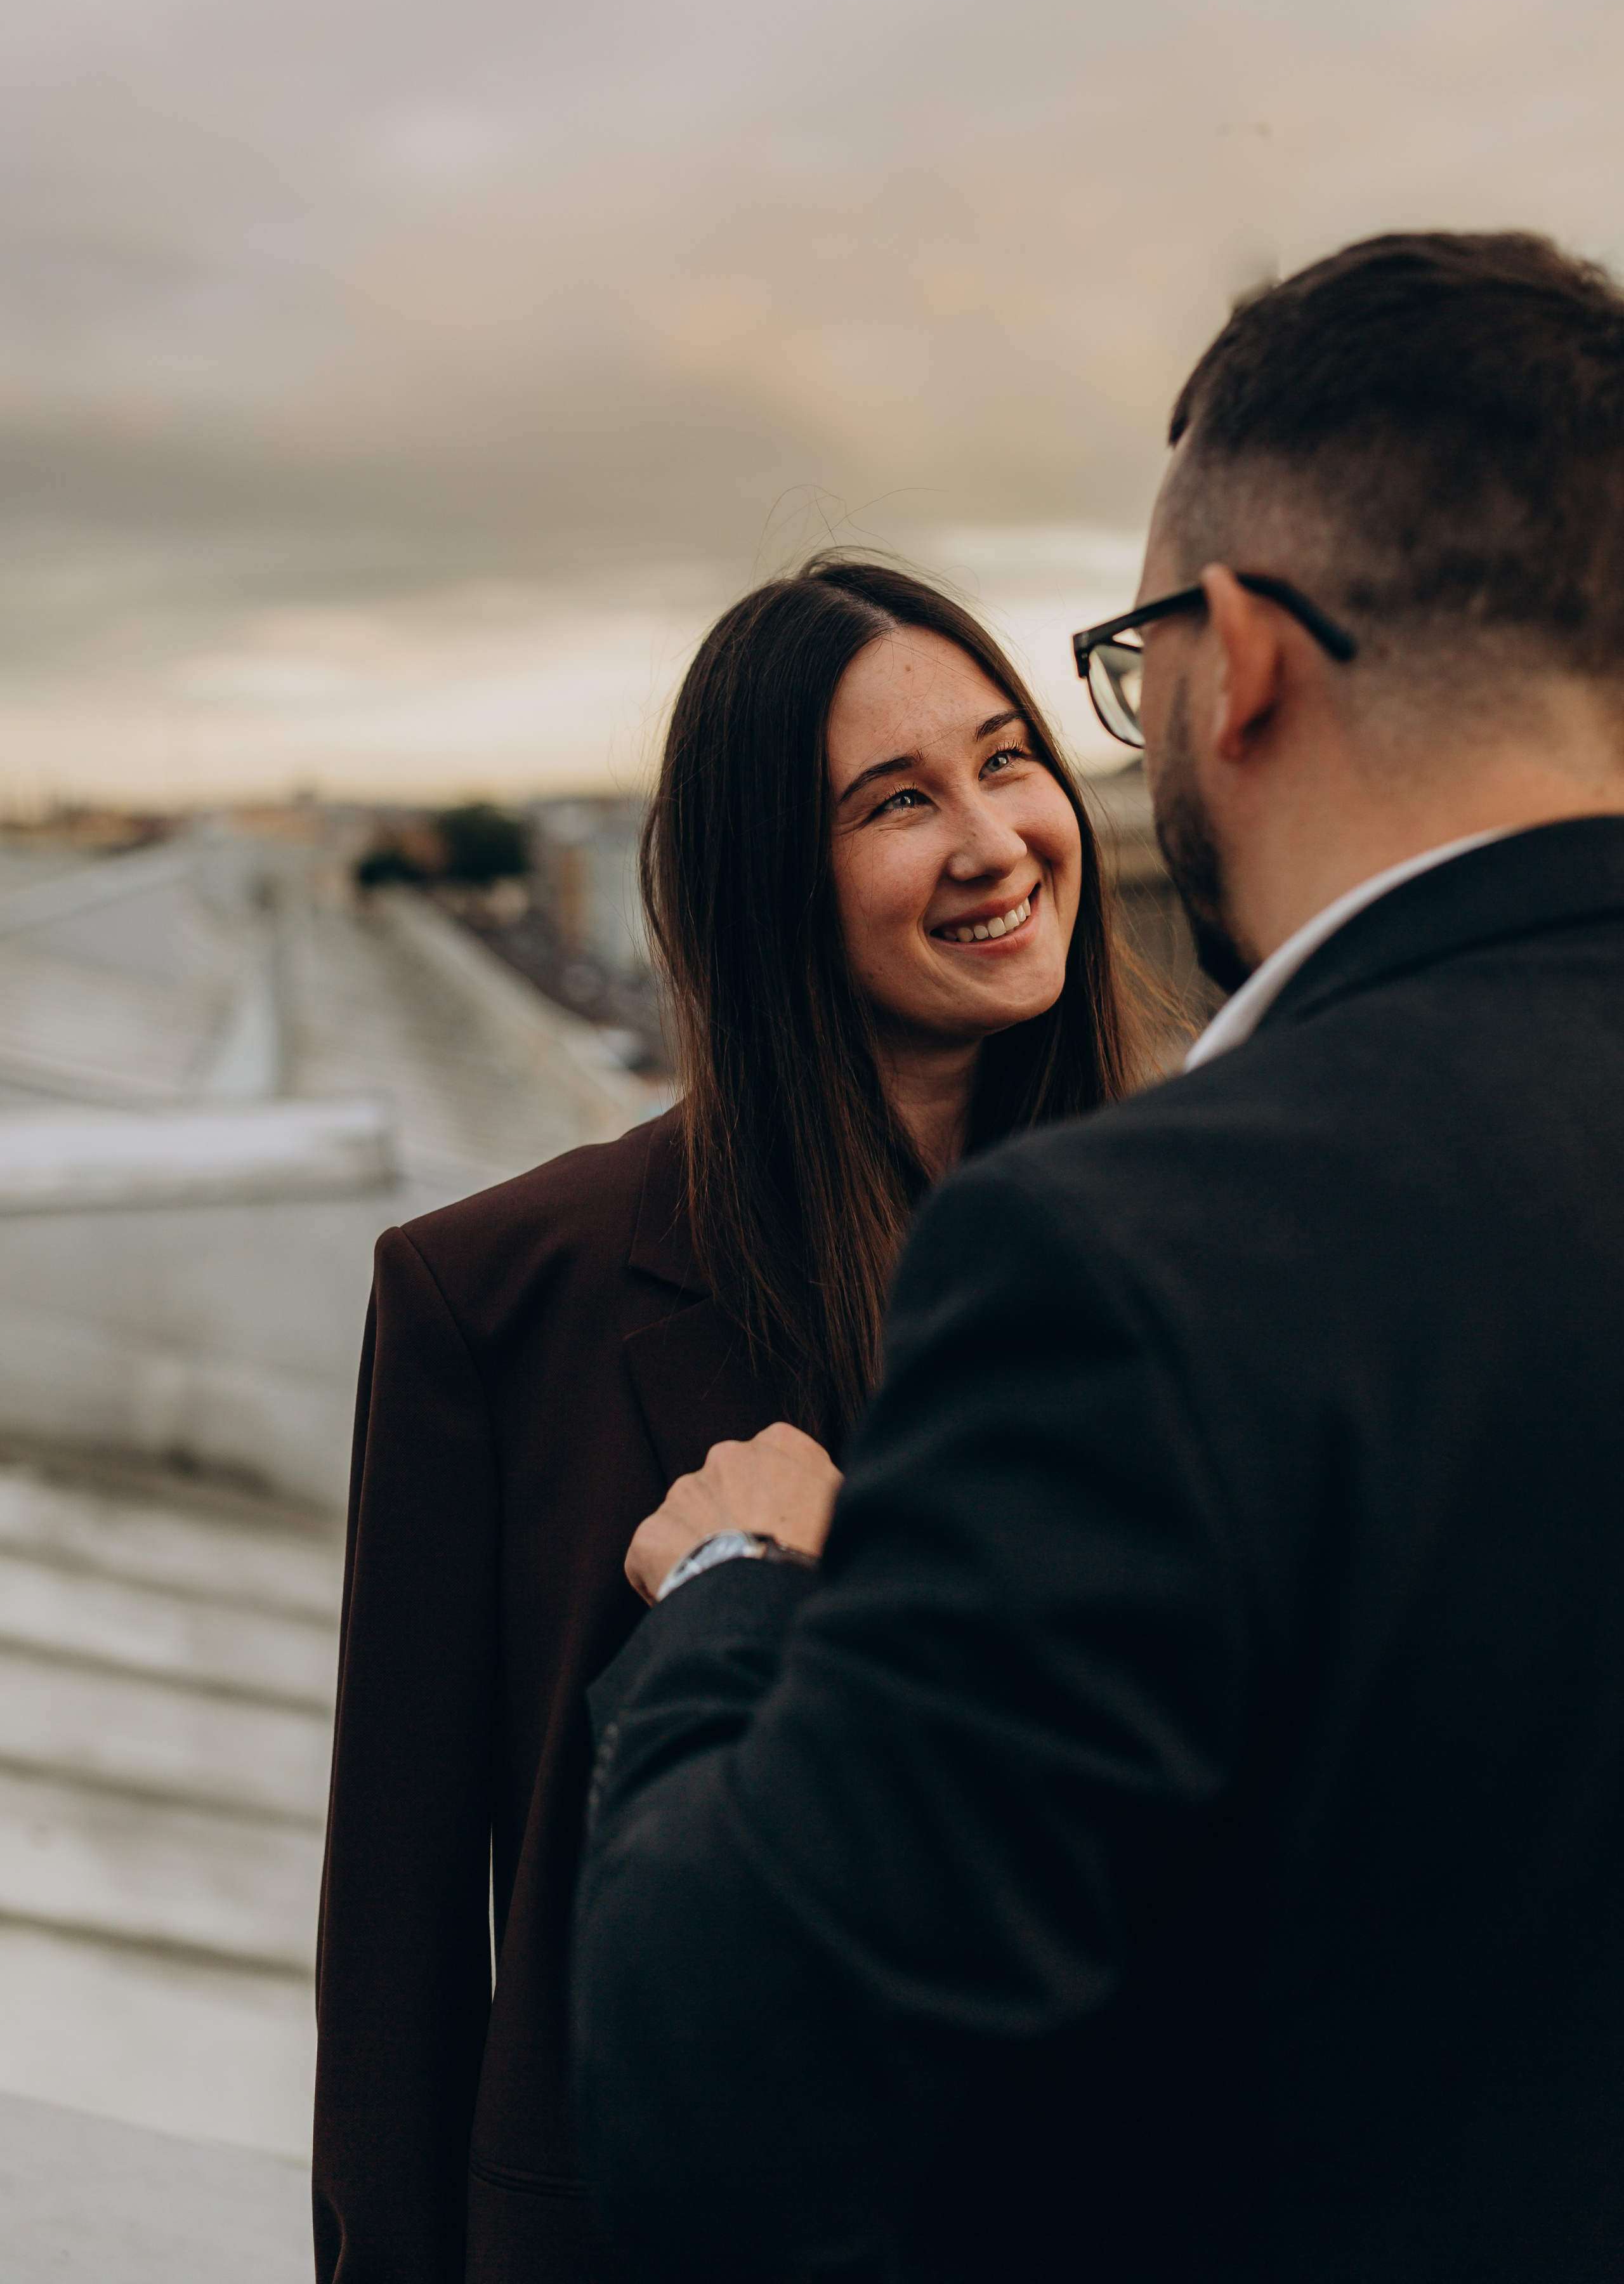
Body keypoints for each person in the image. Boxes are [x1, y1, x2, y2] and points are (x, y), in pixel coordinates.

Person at [572, 232, 1624, 2284]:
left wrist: (725, 1600)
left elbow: (722, 2102)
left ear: (1235, 663)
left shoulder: (1142, 1261)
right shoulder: (535, 1279)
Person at [312, 555, 1163, 2283]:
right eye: (899, 802)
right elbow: (397, 1975)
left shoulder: (1206, 1249)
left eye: (1010, 760)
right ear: (771, 883)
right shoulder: (493, 1298)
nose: (998, 839)